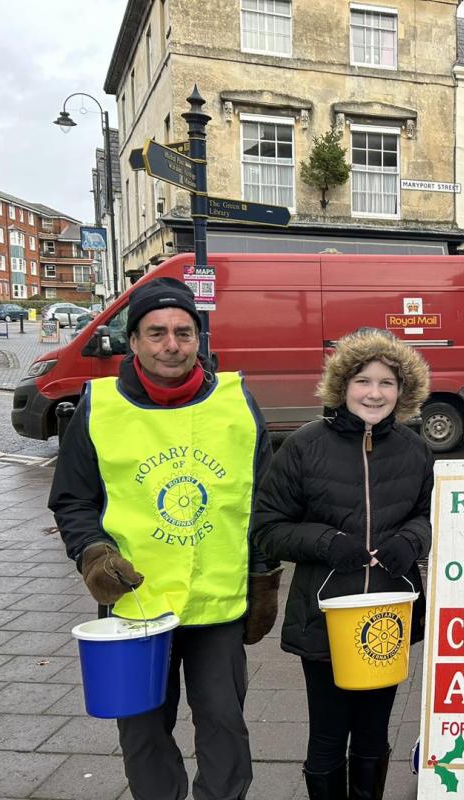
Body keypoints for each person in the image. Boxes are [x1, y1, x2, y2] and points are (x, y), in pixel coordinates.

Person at [49, 277, 280, 800]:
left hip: (217, 604)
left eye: (182, 331)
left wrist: (263, 575)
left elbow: (262, 500)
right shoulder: (99, 406)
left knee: (224, 725)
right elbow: (72, 499)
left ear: (199, 339)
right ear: (133, 342)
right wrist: (91, 552)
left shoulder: (235, 402)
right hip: (136, 604)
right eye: (155, 333)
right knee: (144, 733)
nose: (170, 344)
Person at [253, 329, 434, 800]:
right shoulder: (303, 445)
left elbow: (430, 516)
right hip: (324, 616)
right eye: (363, 381)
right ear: (342, 385)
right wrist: (327, 541)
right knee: (329, 736)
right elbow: (267, 528)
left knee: (374, 735)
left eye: (387, 383)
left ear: (404, 391)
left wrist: (412, 541)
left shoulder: (416, 450)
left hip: (388, 615)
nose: (375, 393)